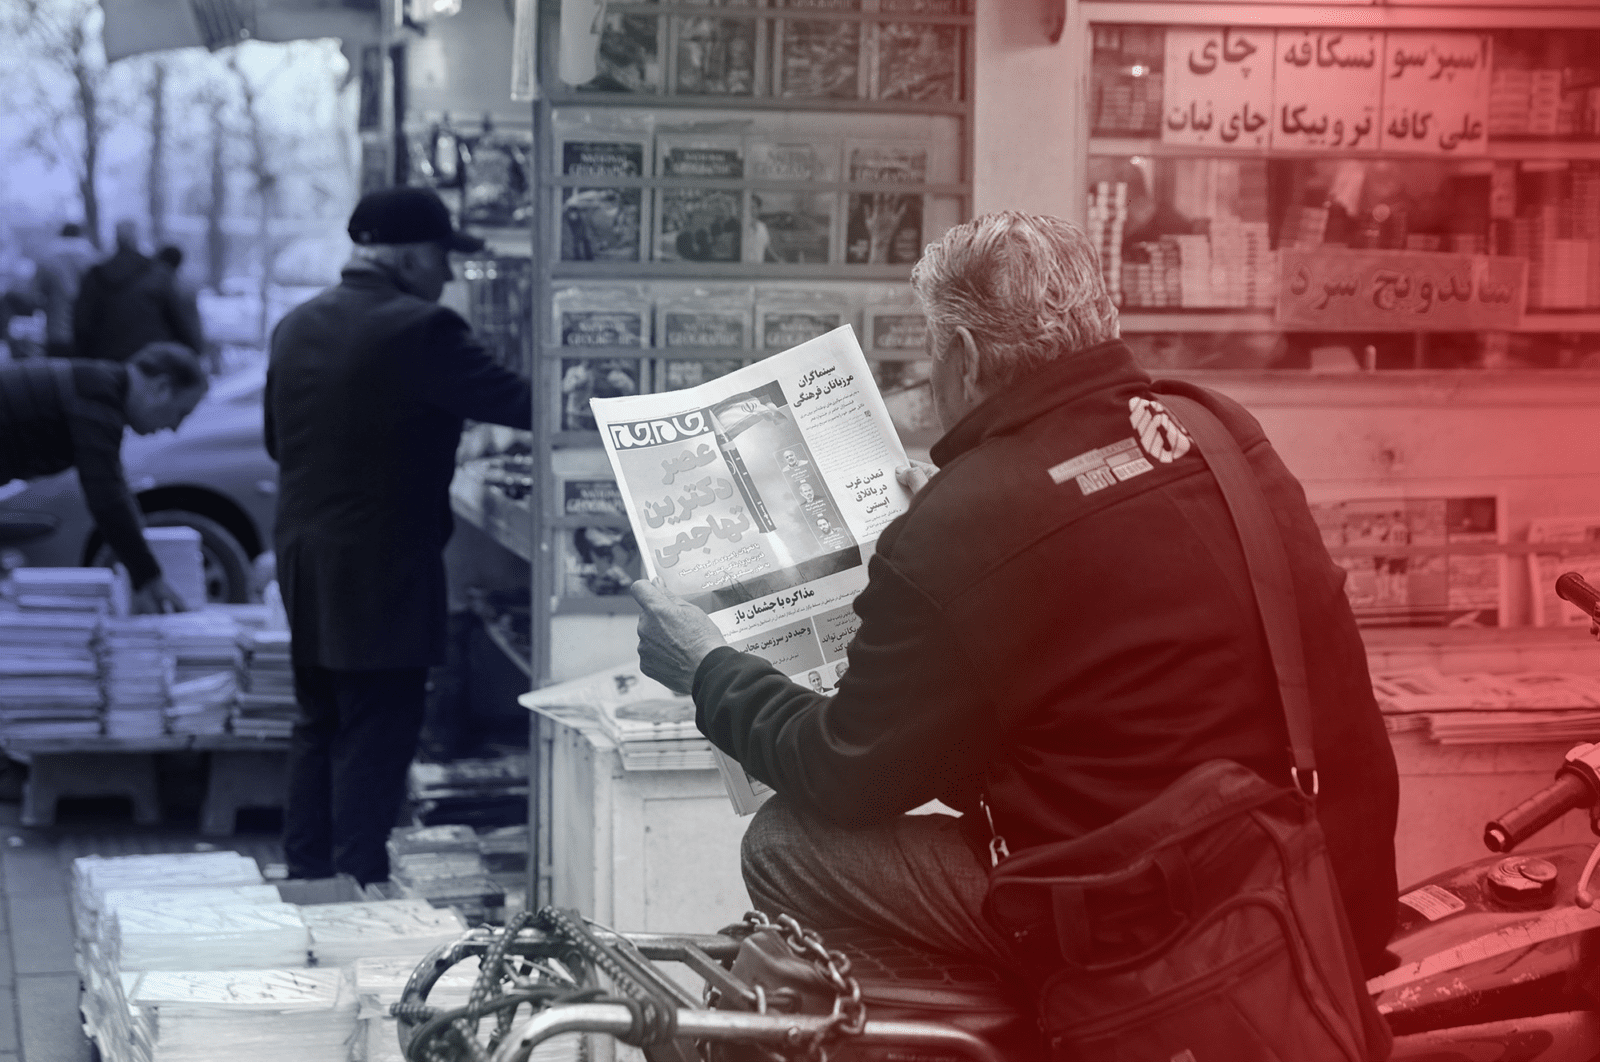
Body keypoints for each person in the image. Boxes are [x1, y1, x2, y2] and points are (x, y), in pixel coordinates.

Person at [630, 211, 1400, 982]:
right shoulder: (1216, 427)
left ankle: (1025, 1026)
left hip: (1153, 926)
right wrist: (960, 541)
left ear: (964, 357)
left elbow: (843, 772)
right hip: (1327, 887)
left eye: (933, 353)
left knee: (785, 845)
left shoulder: (969, 520)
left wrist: (708, 669)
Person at [265, 185, 532, 885]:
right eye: (444, 257)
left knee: (319, 721)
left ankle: (307, 882)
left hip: (305, 559)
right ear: (412, 257)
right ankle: (357, 888)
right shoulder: (422, 329)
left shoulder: (295, 325)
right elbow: (527, 403)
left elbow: (277, 442)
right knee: (378, 732)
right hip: (382, 567)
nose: (449, 274)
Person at [0, 341, 206, 613]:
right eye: (181, 413)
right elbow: (106, 497)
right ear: (161, 387)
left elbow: (114, 488)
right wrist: (149, 579)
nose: (175, 427)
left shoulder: (99, 387)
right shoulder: (96, 397)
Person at [73, 220, 203, 363]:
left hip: (106, 360)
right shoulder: (158, 275)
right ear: (137, 239)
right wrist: (193, 349)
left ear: (116, 239)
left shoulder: (95, 275)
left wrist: (85, 355)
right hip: (149, 360)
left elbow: (82, 321)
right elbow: (178, 318)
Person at [31, 223, 98, 358]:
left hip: (57, 331)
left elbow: (36, 295)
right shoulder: (94, 260)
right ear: (81, 235)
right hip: (89, 331)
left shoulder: (47, 260)